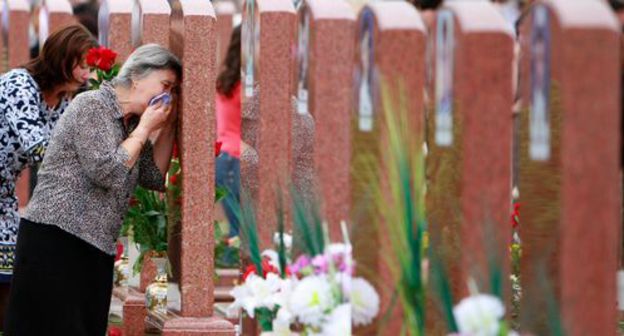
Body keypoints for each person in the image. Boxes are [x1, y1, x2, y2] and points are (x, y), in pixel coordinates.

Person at [4, 44, 181, 335]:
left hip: (95, 246)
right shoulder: (92, 105)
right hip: (55, 240)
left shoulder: (132, 124)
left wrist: (169, 126)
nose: (167, 96)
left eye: (172, 90)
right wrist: (145, 128)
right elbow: (107, 171)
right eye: (165, 85)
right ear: (137, 76)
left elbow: (153, 177)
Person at [0, 24, 96, 330]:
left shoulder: (62, 101)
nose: (86, 74)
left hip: (3, 195)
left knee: (9, 277)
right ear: (60, 58)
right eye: (81, 64)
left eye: (90, 66)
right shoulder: (19, 84)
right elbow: (40, 147)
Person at [216, 25, 243, 237]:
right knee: (240, 231)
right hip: (238, 159)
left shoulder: (225, 80)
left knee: (236, 229)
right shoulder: (244, 87)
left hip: (223, 157)